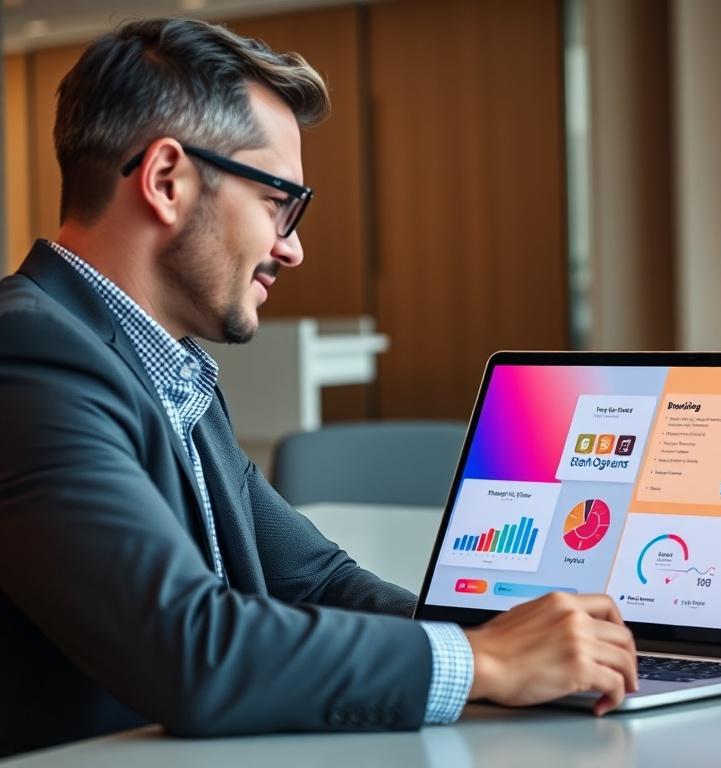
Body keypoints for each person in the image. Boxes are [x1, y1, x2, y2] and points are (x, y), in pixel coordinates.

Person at [0, 17, 637, 757]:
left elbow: (314, 579)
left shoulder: (163, 368)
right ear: (167, 180)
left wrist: (521, 642)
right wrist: (487, 663)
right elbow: (191, 649)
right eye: (279, 202)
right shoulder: (29, 357)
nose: (293, 247)